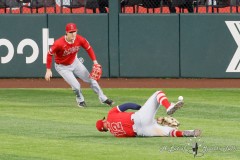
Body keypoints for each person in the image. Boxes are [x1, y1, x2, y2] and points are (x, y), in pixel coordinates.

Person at [45, 23, 113, 108]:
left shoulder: (80, 39)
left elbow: (89, 48)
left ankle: (103, 98)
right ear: (66, 32)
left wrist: (95, 61)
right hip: (62, 67)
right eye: (71, 32)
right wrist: (48, 69)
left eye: (75, 31)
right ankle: (80, 100)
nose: (73, 34)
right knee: (76, 86)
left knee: (92, 80)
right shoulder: (59, 43)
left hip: (75, 62)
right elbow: (49, 54)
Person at [96, 90, 201, 137]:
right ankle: (168, 107)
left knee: (168, 132)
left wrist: (153, 120)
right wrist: (143, 109)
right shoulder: (110, 114)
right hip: (139, 118)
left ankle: (186, 133)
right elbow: (127, 105)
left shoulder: (115, 134)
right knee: (158, 93)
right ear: (103, 121)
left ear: (105, 130)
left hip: (142, 132)